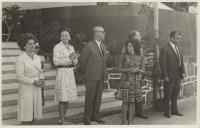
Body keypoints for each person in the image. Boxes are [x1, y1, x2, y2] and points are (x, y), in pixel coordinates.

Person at [79, 26, 108, 125]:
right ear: (96, 33)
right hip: (91, 76)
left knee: (98, 98)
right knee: (89, 98)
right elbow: (82, 61)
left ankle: (95, 115)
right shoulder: (89, 45)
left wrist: (104, 74)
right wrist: (86, 73)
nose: (104, 33)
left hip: (100, 76)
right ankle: (86, 118)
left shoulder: (103, 46)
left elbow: (104, 61)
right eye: (103, 32)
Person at [16, 33, 45, 125]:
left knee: (34, 115)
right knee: (26, 115)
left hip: (37, 88)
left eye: (33, 43)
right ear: (24, 46)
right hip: (26, 88)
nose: (33, 46)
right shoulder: (20, 59)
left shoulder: (37, 57)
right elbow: (19, 76)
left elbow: (40, 71)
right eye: (29, 44)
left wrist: (42, 79)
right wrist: (34, 82)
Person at [118, 39, 147, 125]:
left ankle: (130, 121)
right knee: (126, 102)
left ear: (135, 46)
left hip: (136, 83)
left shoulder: (141, 57)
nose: (128, 47)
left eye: (130, 46)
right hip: (126, 82)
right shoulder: (124, 56)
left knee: (132, 102)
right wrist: (129, 69)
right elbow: (118, 69)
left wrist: (138, 70)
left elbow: (143, 70)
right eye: (127, 46)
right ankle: (124, 120)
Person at [53, 27, 78, 125]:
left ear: (70, 37)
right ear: (60, 37)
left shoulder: (71, 47)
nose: (65, 37)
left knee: (67, 98)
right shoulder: (57, 47)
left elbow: (75, 62)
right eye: (63, 35)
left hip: (70, 73)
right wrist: (69, 60)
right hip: (62, 72)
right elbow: (55, 62)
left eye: (66, 35)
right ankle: (63, 121)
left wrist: (75, 60)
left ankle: (62, 119)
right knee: (62, 98)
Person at [159, 31, 185, 118]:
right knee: (168, 94)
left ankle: (175, 110)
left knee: (175, 94)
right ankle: (167, 112)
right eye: (177, 38)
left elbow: (181, 62)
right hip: (169, 76)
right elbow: (162, 64)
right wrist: (165, 76)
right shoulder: (165, 49)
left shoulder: (178, 48)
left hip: (178, 75)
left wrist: (183, 72)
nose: (179, 40)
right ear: (171, 38)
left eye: (180, 38)